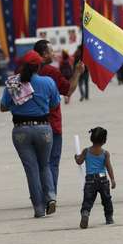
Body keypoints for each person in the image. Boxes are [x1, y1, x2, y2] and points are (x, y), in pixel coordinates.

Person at [0, 50, 61, 218]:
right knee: (45, 165)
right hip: (43, 129)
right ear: (39, 65)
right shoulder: (48, 81)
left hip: (21, 131)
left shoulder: (13, 83)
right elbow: (55, 103)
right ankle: (50, 196)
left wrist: (17, 103)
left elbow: (3, 106)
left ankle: (39, 209)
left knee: (31, 169)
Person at [33, 39, 84, 193]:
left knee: (37, 163)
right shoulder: (51, 73)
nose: (53, 54)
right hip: (52, 124)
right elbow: (68, 90)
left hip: (29, 124)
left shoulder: (23, 72)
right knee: (52, 162)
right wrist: (77, 72)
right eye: (50, 51)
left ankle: (37, 193)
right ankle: (50, 193)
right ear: (43, 54)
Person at [75, 127, 116, 229]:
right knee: (107, 200)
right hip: (103, 179)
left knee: (88, 200)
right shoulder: (105, 153)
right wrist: (112, 179)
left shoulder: (86, 151)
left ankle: (85, 213)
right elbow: (108, 167)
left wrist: (76, 157)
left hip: (90, 180)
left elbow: (79, 161)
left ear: (91, 138)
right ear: (104, 140)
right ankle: (109, 217)